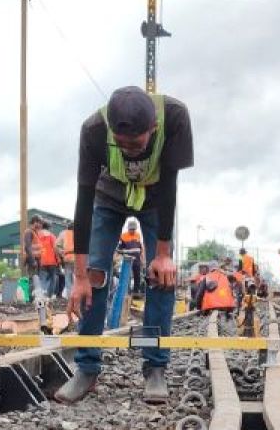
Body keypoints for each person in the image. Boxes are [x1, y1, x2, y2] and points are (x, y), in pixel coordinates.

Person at [57, 86, 194, 404]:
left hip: (156, 197)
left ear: (154, 129)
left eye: (136, 143)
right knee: (95, 276)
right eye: (121, 144)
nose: (129, 151)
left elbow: (171, 181)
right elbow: (83, 199)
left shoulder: (174, 117)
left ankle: (155, 367)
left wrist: (162, 254)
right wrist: (79, 276)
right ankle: (87, 369)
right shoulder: (93, 130)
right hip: (107, 197)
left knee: (161, 277)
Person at [117, 217, 146, 296]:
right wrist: (123, 254)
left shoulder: (138, 235)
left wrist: (142, 259)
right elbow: (119, 249)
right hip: (127, 260)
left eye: (134, 229)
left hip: (137, 260)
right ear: (128, 229)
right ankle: (127, 292)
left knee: (137, 275)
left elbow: (141, 248)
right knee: (127, 276)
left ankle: (136, 291)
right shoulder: (123, 236)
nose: (132, 231)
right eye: (131, 229)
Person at [36, 223, 61, 298]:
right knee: (53, 278)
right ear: (49, 227)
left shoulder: (37, 236)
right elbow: (55, 248)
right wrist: (59, 259)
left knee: (42, 279)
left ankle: (42, 296)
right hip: (52, 261)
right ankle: (49, 296)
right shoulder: (52, 236)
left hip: (42, 261)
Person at [57, 222, 76, 298]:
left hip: (67, 258)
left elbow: (56, 245)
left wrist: (61, 253)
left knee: (68, 279)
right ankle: (78, 297)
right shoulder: (79, 232)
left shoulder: (63, 233)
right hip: (78, 258)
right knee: (77, 278)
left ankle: (70, 297)